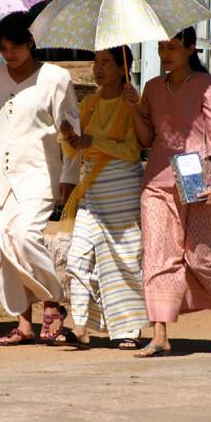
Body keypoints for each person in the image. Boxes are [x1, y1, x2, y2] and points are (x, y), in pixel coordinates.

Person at [0, 12, 80, 346]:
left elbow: (72, 128)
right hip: (0, 177)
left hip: (38, 173)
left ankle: (53, 301)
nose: (9, 54)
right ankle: (24, 325)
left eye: (15, 47)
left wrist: (70, 174)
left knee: (24, 237)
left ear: (31, 43)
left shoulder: (55, 77)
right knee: (2, 251)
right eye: (3, 48)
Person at [123, 27, 211, 357]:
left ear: (190, 48)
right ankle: (159, 333)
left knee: (200, 259)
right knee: (157, 256)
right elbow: (146, 139)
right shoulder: (152, 88)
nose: (164, 54)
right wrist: (133, 107)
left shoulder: (208, 86)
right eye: (161, 47)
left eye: (172, 47)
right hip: (157, 183)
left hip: (199, 184)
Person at [57, 46, 148, 349]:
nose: (98, 69)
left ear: (123, 68)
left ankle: (129, 329)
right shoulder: (90, 103)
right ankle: (80, 326)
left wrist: (93, 140)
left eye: (106, 63)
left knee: (123, 259)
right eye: (96, 63)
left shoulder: (131, 102)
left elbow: (133, 150)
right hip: (92, 190)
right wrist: (69, 138)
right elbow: (75, 150)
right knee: (77, 256)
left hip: (121, 187)